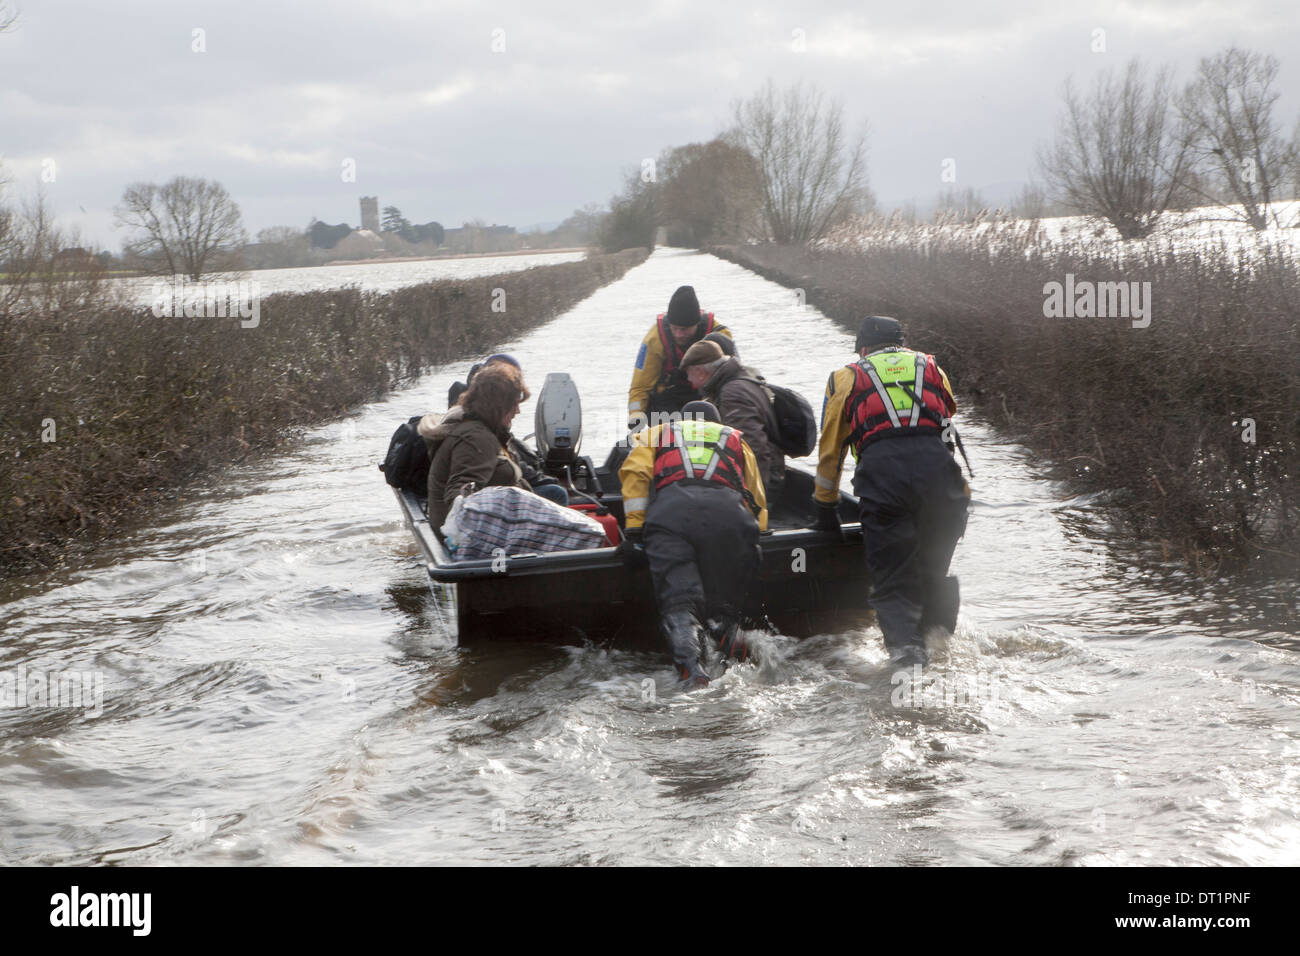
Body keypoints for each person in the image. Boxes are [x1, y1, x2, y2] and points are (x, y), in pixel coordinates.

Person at [812, 316, 970, 668]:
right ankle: (940, 646)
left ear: (863, 349)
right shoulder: (931, 368)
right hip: (943, 481)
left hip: (885, 480)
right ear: (904, 343)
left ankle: (907, 659)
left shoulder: (846, 378)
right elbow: (948, 414)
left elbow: (831, 449)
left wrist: (825, 507)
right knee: (933, 571)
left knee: (893, 578)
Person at [618, 400, 768, 688]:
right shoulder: (733, 437)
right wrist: (757, 535)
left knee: (681, 602)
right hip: (729, 517)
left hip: (673, 516)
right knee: (724, 602)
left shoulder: (657, 433)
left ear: (680, 418)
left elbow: (634, 474)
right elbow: (755, 493)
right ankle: (730, 642)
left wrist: (635, 532)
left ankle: (692, 674)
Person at [425, 364, 559, 530]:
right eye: (514, 404)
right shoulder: (476, 438)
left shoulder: (484, 430)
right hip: (478, 536)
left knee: (554, 494)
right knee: (561, 501)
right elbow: (461, 495)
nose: (518, 411)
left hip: (500, 519)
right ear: (497, 405)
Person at [679, 338, 785, 502]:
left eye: (688, 373)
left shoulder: (732, 394)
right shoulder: (742, 378)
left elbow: (753, 448)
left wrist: (752, 501)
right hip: (771, 474)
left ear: (700, 371)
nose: (688, 380)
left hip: (764, 485)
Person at [626, 285, 732, 430]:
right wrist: (635, 417)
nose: (678, 334)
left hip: (707, 400)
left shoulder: (720, 335)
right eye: (674, 328)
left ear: (697, 324)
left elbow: (731, 379)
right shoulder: (655, 338)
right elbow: (640, 386)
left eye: (684, 329)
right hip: (668, 403)